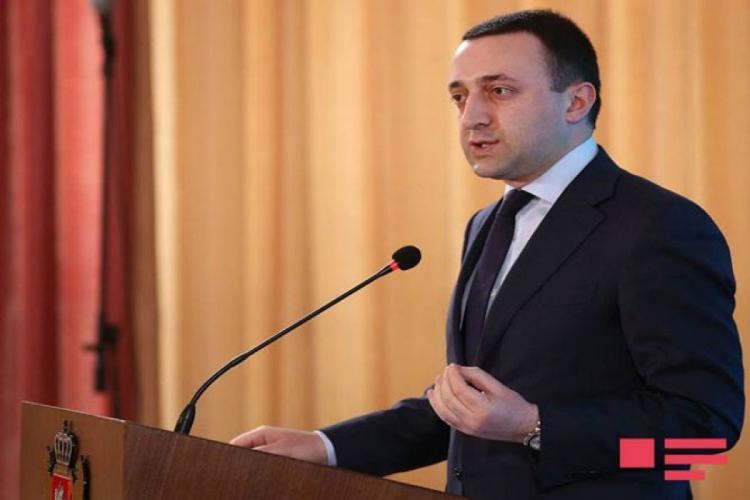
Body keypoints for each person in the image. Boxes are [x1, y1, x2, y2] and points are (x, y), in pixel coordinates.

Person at [231, 10, 744, 499]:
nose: (472, 116)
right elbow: (472, 410)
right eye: (460, 96)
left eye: (499, 91)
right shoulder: (488, 224)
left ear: (576, 102)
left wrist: (535, 426)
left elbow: (705, 431)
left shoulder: (658, 226)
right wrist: (325, 447)